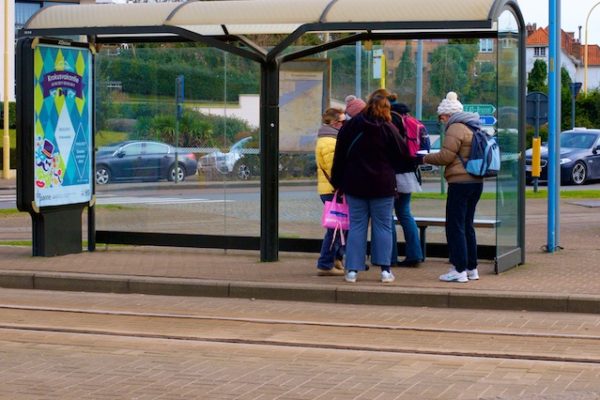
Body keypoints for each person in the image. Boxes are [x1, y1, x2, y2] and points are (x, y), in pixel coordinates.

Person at [331, 89, 408, 284]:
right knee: (383, 226)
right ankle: (385, 271)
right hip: (383, 185)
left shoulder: (351, 126)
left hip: (354, 184)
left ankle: (352, 271)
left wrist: (337, 182)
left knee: (357, 226)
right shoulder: (388, 128)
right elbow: (402, 155)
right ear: (386, 108)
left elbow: (339, 156)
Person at [423, 91, 484, 283]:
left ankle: (459, 269)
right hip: (476, 181)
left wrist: (423, 158)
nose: (441, 121)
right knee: (467, 225)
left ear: (448, 114)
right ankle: (471, 268)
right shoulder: (473, 126)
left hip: (460, 182)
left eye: (441, 117)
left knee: (455, 226)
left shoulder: (455, 128)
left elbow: (446, 157)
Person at [387, 94, 430, 267]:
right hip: (409, 173)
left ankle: (389, 257)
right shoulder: (410, 121)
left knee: (386, 216)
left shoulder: (390, 121)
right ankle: (415, 255)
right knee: (405, 213)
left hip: (392, 174)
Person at [315, 107, 347, 276]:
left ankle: (336, 258)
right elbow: (334, 169)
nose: (345, 124)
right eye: (343, 121)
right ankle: (325, 264)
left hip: (330, 189)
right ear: (334, 123)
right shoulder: (330, 141)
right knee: (335, 228)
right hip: (334, 190)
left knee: (341, 226)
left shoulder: (329, 139)